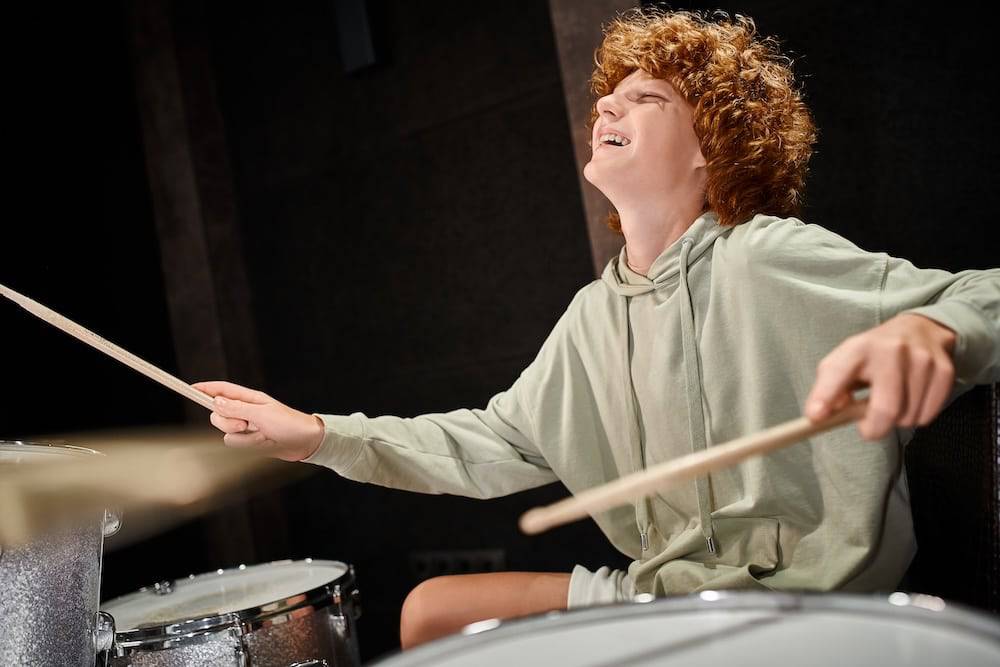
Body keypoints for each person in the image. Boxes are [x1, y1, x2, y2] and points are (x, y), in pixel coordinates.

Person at [195, 7, 1000, 650]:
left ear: (711, 152)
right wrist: (315, 434)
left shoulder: (767, 256)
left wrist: (932, 327)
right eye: (610, 97)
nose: (608, 103)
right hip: (659, 592)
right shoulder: (592, 315)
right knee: (431, 612)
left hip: (799, 602)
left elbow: (985, 293)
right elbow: (489, 444)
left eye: (648, 99)